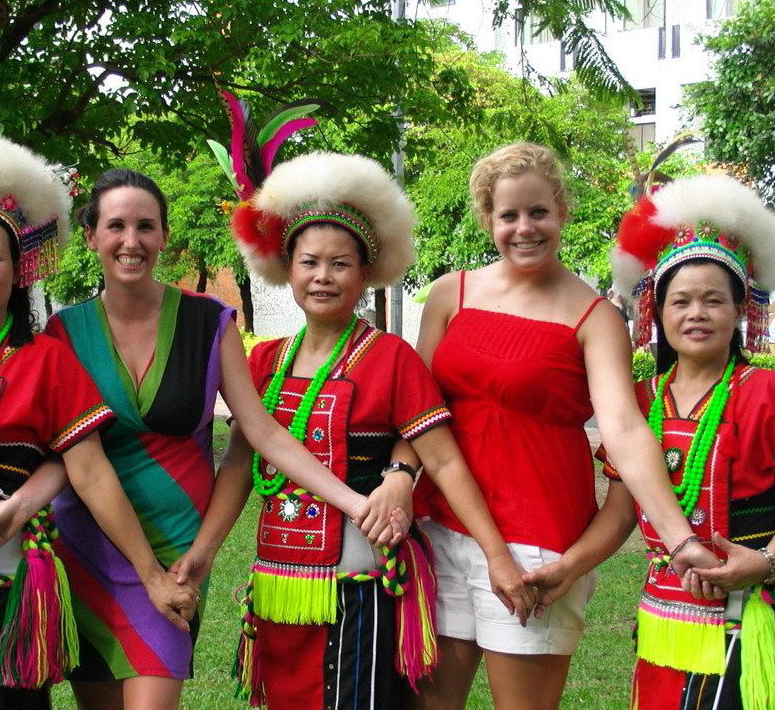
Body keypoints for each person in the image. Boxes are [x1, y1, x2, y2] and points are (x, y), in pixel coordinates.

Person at [180, 146, 541, 710]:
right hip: (277, 583)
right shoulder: (265, 361)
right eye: (309, 262)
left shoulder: (390, 357)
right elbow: (241, 465)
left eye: (340, 264)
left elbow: (443, 460)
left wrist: (496, 555)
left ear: (366, 274)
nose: (323, 277)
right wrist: (204, 552)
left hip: (361, 585)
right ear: (286, 268)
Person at [44, 167, 407, 710]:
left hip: (178, 553)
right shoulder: (63, 333)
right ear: (91, 235)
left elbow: (261, 432)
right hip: (90, 544)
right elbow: (74, 459)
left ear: (165, 235)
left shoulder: (209, 321)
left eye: (146, 226)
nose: (131, 241)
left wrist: (354, 502)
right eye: (115, 225)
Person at [0, 127, 196, 710]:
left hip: (2, 592)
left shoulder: (44, 360)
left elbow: (88, 471)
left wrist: (150, 573)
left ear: (19, 269)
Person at [411, 142, 722, 710]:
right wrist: (393, 481)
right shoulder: (448, 295)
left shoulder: (593, 317)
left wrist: (680, 540)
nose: (524, 228)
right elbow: (414, 412)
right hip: (440, 526)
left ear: (562, 213)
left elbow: (625, 431)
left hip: (536, 542)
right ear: (488, 219)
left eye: (538, 212)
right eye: (508, 215)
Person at [604, 173, 775, 709]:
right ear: (656, 313)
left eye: (714, 300)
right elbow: (619, 514)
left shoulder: (768, 391)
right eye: (680, 301)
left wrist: (769, 560)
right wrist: (566, 568)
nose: (697, 314)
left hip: (744, 607)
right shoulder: (640, 402)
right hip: (662, 613)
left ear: (741, 310)